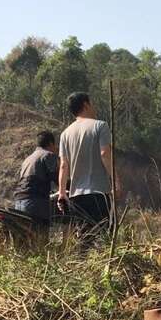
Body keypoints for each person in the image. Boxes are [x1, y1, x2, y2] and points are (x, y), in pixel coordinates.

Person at [57, 91, 113, 230]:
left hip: (76, 196)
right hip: (98, 192)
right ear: (86, 105)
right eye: (92, 104)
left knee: (84, 238)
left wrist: (62, 193)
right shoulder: (100, 126)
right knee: (102, 236)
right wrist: (115, 178)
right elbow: (105, 153)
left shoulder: (65, 134)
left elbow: (64, 166)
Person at [11, 130, 59, 226]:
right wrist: (72, 187)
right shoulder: (48, 155)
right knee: (40, 236)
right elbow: (57, 178)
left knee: (25, 237)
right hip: (35, 203)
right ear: (51, 143)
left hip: (19, 202)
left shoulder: (27, 159)